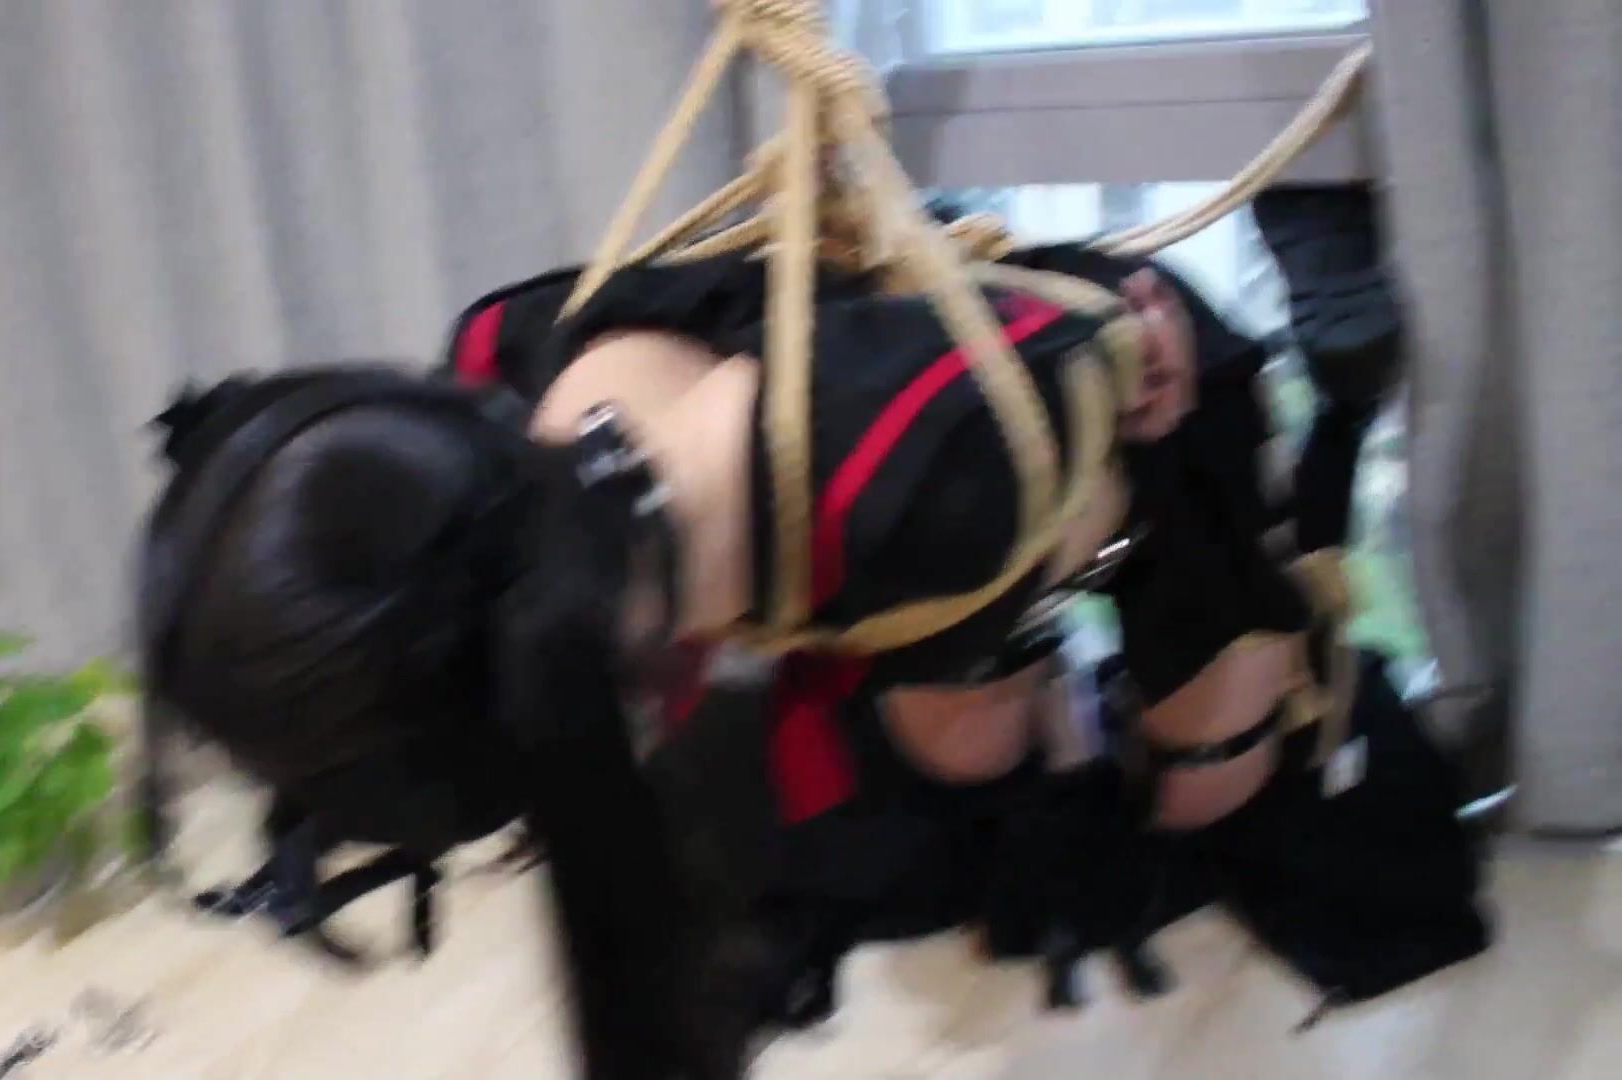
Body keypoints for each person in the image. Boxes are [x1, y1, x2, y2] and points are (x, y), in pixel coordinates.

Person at [138, 235, 1482, 1078]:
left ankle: (1327, 413)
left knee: (1206, 789)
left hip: (1110, 454)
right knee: (958, 753)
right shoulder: (499, 376)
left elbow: (1073, 500)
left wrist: (1113, 488)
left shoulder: (940, 483)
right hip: (892, 498)